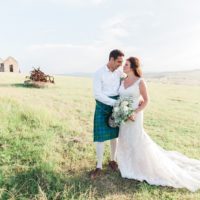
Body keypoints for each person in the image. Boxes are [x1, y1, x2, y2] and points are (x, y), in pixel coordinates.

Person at [116, 57, 200, 192]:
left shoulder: (140, 81)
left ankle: (139, 167)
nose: (123, 66)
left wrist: (135, 112)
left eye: (126, 64)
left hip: (135, 116)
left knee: (135, 139)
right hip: (123, 114)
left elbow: (146, 100)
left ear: (132, 67)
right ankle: (126, 164)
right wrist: (121, 110)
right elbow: (120, 96)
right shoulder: (122, 79)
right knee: (124, 138)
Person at [90, 49, 124, 179]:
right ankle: (99, 166)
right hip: (102, 106)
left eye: (122, 62)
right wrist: (114, 103)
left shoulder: (120, 73)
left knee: (114, 135)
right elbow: (97, 94)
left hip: (116, 105)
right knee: (100, 137)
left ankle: (112, 160)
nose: (120, 64)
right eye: (118, 61)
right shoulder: (98, 73)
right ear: (111, 59)